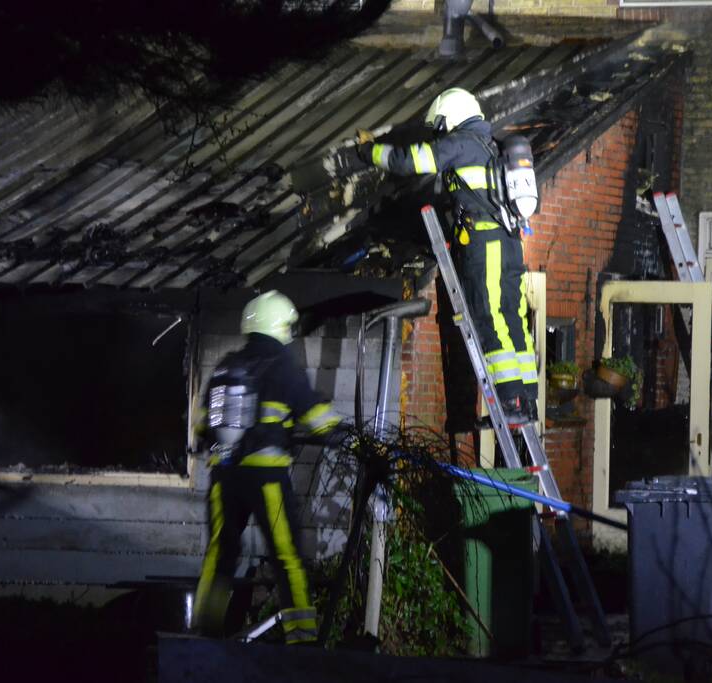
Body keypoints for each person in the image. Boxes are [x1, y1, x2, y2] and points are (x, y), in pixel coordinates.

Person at [357, 87, 539, 421]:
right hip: (510, 243)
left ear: (452, 116)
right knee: (513, 315)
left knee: (489, 314)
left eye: (441, 125)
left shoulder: (462, 143)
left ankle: (510, 398)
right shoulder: (491, 144)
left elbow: (410, 161)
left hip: (486, 245)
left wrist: (370, 152)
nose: (441, 132)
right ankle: (526, 399)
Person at [193, 289, 342, 645]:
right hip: (267, 478)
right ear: (280, 325)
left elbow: (202, 426)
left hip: (224, 475)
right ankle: (302, 636)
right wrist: (341, 433)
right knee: (286, 555)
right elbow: (316, 417)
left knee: (220, 553)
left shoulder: (227, 366)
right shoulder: (284, 365)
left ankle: (204, 630)